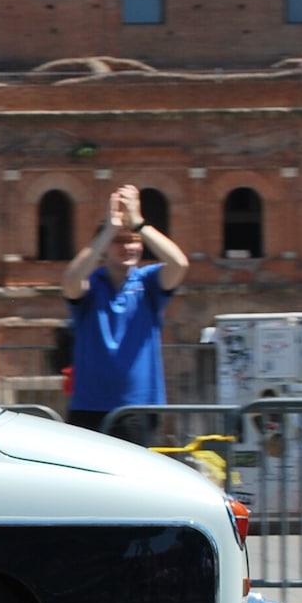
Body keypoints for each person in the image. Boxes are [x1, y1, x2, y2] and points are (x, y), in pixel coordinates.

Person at [62, 184, 188, 443]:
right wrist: (109, 229)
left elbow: (179, 264)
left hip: (138, 405)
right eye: (119, 241)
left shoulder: (149, 281)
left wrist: (139, 223)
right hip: (89, 405)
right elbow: (70, 280)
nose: (129, 247)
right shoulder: (91, 284)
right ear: (104, 247)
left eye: (134, 241)